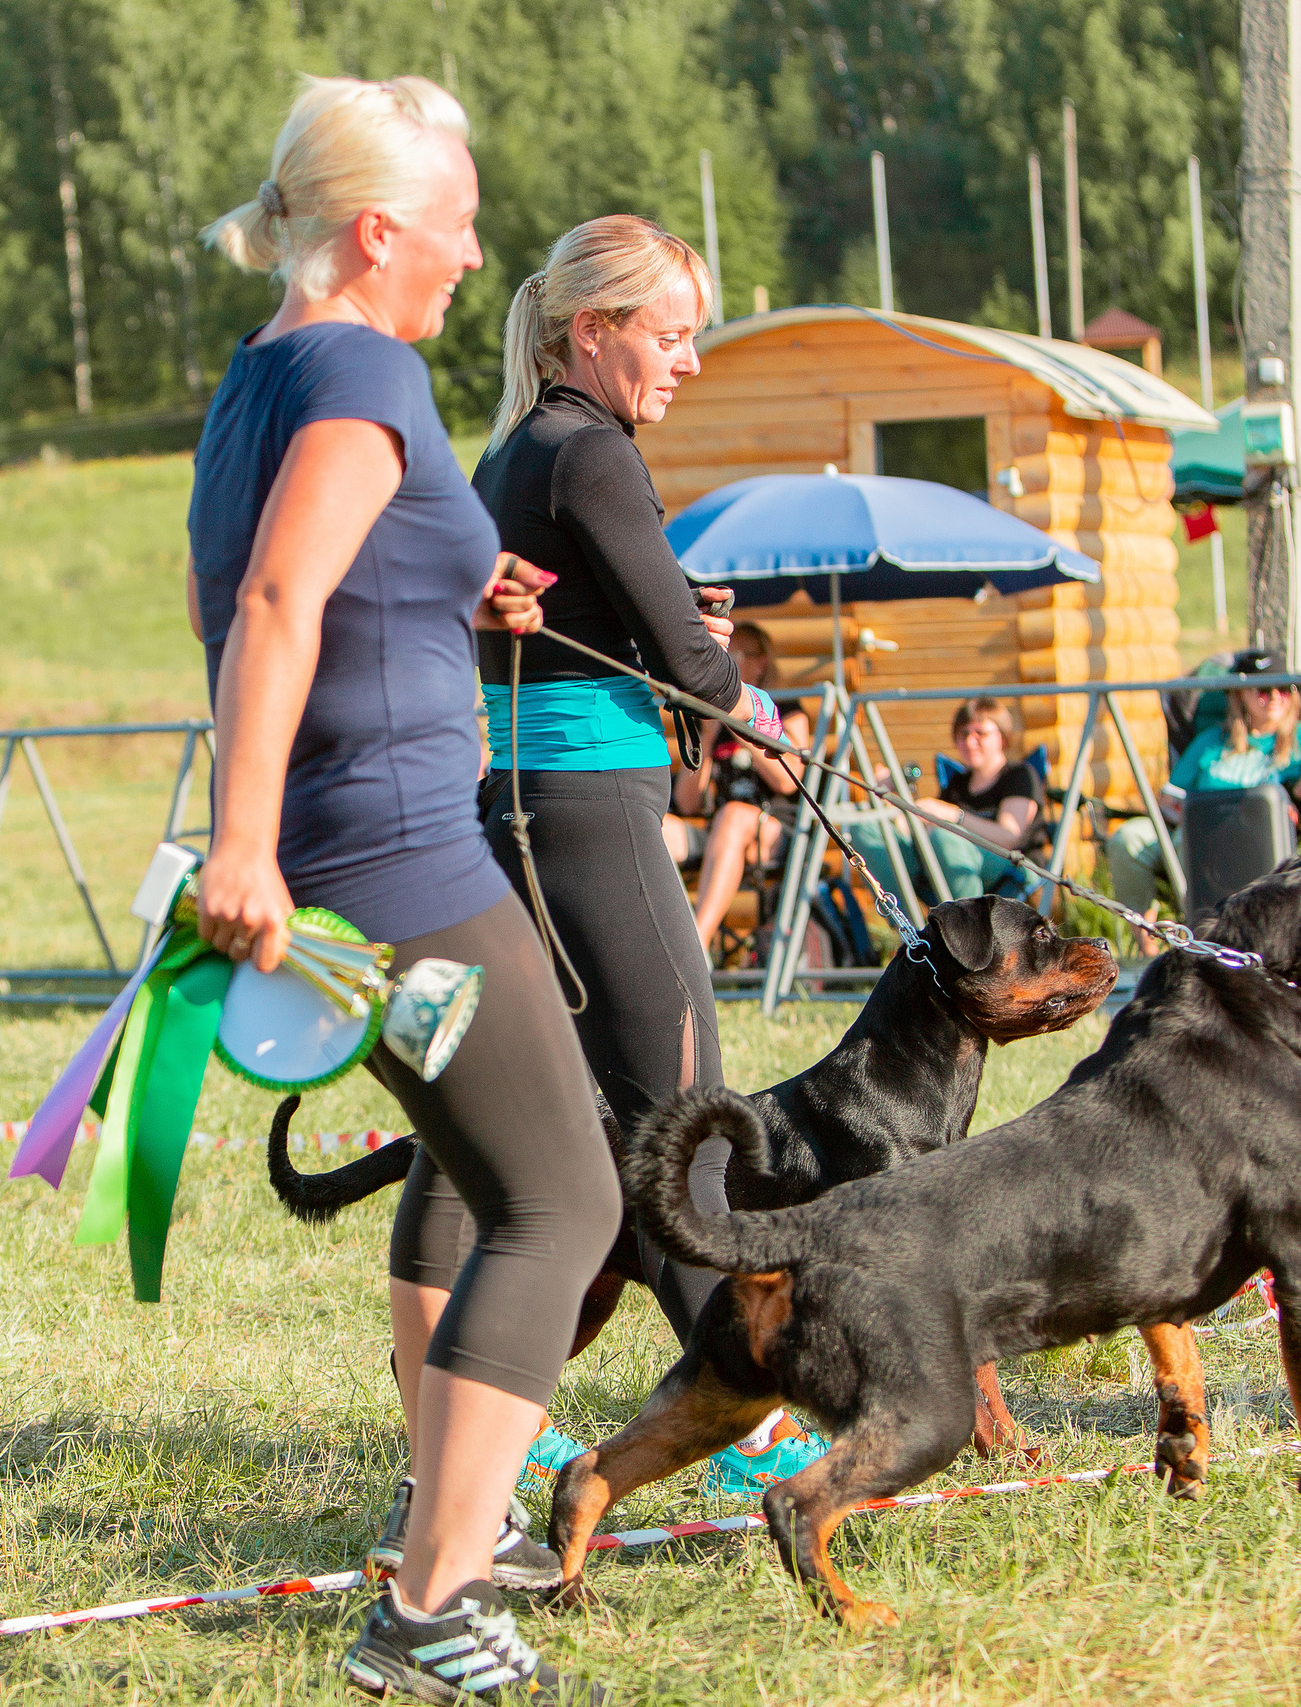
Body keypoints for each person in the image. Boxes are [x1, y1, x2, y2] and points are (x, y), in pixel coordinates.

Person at [191, 75, 608, 1704]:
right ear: (377, 233)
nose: (475, 254)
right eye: (458, 223)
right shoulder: (368, 365)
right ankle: (433, 1601)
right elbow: (276, 601)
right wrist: (239, 842)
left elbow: (316, 571)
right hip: (395, 849)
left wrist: (454, 578)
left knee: (494, 1180)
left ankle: (445, 1541)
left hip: (362, 840)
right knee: (562, 1199)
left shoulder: (270, 370)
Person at [470, 213, 821, 1496]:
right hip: (593, 817)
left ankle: (485, 1425)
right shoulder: (594, 450)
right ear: (593, 330)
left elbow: (621, 623)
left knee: (576, 1149)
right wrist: (761, 716)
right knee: (686, 1129)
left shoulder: (520, 447)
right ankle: (752, 1433)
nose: (686, 361)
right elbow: (688, 663)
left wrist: (673, 624)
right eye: (668, 336)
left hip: (528, 809)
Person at [1104, 649, 1301, 951]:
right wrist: (1184, 813)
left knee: (1201, 842)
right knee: (1127, 840)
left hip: (1261, 839)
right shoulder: (1211, 741)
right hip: (1195, 831)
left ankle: (1208, 939)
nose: (1275, 697)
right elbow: (1169, 799)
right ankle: (1148, 947)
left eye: (1284, 689)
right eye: (1263, 690)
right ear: (1240, 695)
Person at [668, 623, 813, 952]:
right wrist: (706, 736)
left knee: (733, 816)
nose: (724, 662)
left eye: (735, 655)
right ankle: (662, 935)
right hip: (722, 831)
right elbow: (687, 803)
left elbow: (788, 780)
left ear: (761, 663)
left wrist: (740, 720)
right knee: (655, 827)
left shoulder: (788, 710)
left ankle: (695, 945)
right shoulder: (710, 722)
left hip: (777, 828)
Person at [917, 696, 1042, 900]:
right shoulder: (957, 783)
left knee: (944, 837)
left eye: (980, 733)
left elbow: (1009, 837)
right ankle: (903, 915)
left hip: (1012, 866)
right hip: (958, 865)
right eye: (963, 734)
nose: (969, 742)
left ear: (1002, 737)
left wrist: (955, 815)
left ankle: (969, 919)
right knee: (877, 832)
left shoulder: (1019, 775)